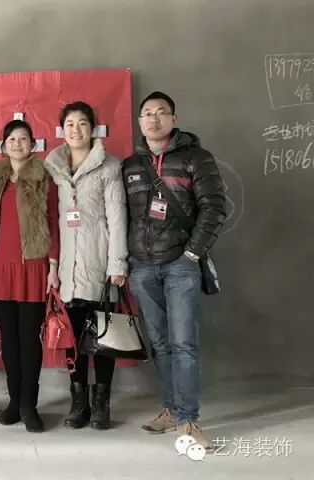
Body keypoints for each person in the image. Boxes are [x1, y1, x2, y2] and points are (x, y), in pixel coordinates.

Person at [123, 91, 225, 449]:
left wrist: (192, 254)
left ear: (173, 119)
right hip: (142, 268)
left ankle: (188, 420)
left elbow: (214, 207)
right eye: (147, 113)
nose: (154, 119)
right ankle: (170, 409)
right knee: (161, 344)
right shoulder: (131, 165)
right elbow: (123, 216)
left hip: (181, 265)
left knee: (184, 344)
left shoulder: (197, 157)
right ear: (139, 121)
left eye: (161, 112)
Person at [45, 101, 128, 430]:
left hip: (100, 262)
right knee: (74, 337)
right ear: (62, 130)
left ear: (92, 128)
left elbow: (117, 218)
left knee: (104, 336)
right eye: (69, 124)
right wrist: (53, 267)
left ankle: (101, 403)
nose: (75, 129)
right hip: (68, 267)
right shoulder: (53, 168)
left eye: (82, 123)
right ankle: (78, 401)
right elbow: (52, 221)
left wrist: (117, 263)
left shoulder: (109, 166)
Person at [0, 119, 60, 433]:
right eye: (12, 139)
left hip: (32, 265)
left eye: (23, 139)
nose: (17, 143)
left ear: (33, 145)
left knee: (28, 337)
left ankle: (29, 405)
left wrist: (53, 267)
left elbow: (53, 221)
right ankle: (13, 401)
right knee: (8, 338)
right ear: (3, 145)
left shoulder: (43, 177)